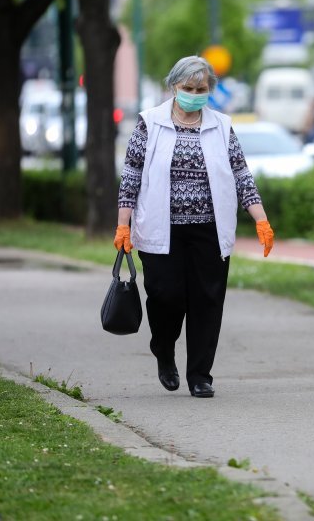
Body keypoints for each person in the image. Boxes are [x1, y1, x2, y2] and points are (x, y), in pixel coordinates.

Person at [113, 55, 275, 399]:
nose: (194, 94)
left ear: (209, 90)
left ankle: (200, 375)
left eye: (201, 89)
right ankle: (164, 350)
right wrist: (122, 226)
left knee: (207, 301)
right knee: (165, 296)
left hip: (209, 230)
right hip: (161, 230)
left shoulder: (221, 125)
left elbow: (241, 174)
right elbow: (131, 175)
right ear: (174, 86)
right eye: (188, 88)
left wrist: (260, 219)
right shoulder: (150, 123)